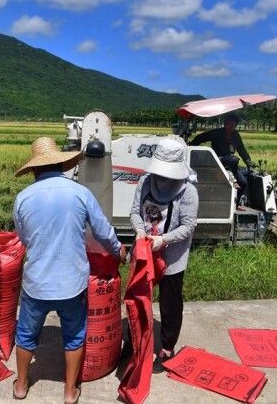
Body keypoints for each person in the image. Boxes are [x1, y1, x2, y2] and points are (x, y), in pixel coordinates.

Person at [12, 137, 126, 404]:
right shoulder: (80, 193)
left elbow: (24, 238)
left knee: (27, 334)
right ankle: (69, 391)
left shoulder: (23, 198)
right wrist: (117, 250)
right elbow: (102, 231)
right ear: (62, 164)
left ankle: (20, 385)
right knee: (74, 335)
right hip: (71, 284)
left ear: (34, 169)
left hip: (36, 283)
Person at [129, 138, 199, 373]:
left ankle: (167, 346)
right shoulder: (146, 182)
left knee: (170, 303)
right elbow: (135, 212)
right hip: (143, 251)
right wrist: (140, 230)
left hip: (172, 256)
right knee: (138, 298)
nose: (161, 178)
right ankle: (136, 339)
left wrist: (163, 240)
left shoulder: (188, 191)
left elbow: (188, 226)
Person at [188, 113, 257, 206]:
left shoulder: (236, 136)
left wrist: (249, 162)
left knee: (243, 182)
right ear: (225, 124)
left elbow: (242, 150)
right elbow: (201, 137)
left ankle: (235, 205)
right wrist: (191, 146)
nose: (230, 127)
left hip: (230, 163)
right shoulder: (216, 133)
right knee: (234, 160)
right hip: (217, 161)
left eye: (233, 125)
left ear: (235, 126)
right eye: (228, 124)